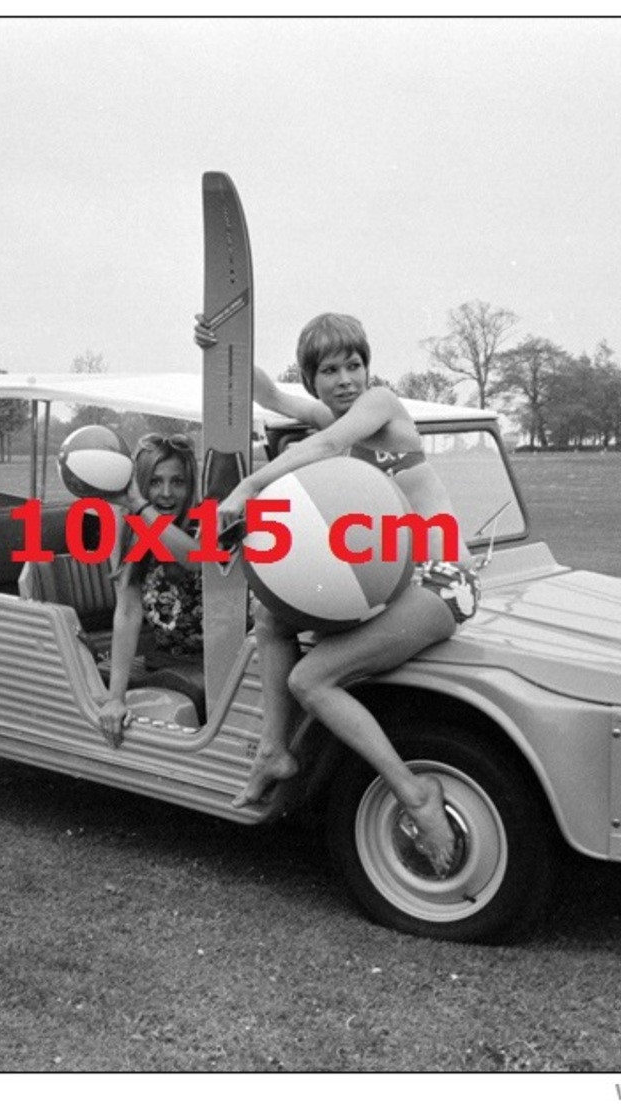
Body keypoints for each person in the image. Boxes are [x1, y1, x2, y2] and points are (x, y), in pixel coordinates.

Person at [206, 312, 480, 875]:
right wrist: (221, 348)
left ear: (367, 367)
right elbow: (269, 394)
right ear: (314, 380)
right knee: (272, 617)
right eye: (329, 370)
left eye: (354, 364)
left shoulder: (380, 405)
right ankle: (273, 751)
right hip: (394, 580)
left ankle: (412, 791)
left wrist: (251, 485)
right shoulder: (325, 410)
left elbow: (329, 442)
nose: (346, 379)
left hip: (444, 579)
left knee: (312, 678)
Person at [96, 432, 206, 747]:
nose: (167, 493)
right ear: (142, 483)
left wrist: (140, 507)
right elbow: (128, 611)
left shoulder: (204, 523)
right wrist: (114, 699)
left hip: (221, 660)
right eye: (155, 482)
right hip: (168, 660)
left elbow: (194, 558)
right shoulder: (131, 530)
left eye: (179, 482)